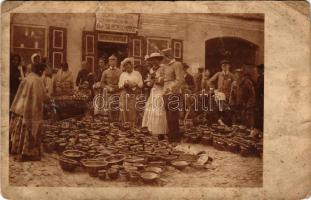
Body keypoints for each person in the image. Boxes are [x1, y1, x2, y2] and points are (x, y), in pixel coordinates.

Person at [10, 63, 50, 161]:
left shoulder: (27, 78)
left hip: (22, 108)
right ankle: (28, 153)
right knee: (31, 129)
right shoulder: (38, 80)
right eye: (43, 71)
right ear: (40, 71)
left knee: (22, 129)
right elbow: (43, 96)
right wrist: (49, 99)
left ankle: (19, 150)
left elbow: (20, 92)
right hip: (31, 109)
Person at [162, 48, 185, 143]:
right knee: (168, 116)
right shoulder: (166, 66)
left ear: (169, 56)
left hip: (173, 93)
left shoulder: (177, 64)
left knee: (173, 116)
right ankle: (171, 138)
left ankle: (175, 139)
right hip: (166, 93)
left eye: (164, 57)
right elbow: (165, 79)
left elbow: (180, 80)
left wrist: (171, 88)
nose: (163, 59)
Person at [142, 53, 168, 140]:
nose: (154, 61)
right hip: (153, 91)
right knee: (151, 111)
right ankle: (152, 130)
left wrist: (155, 78)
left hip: (160, 91)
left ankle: (160, 132)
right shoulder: (152, 69)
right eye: (152, 60)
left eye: (156, 59)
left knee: (159, 111)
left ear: (159, 60)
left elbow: (163, 81)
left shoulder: (163, 68)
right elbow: (150, 83)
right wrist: (148, 82)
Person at [118, 57, 143, 127]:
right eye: (125, 66)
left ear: (131, 65)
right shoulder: (123, 74)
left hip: (133, 92)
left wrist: (134, 84)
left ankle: (132, 125)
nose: (127, 67)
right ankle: (124, 125)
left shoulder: (137, 73)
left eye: (128, 65)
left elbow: (141, 84)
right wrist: (125, 85)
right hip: (124, 92)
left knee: (132, 108)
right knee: (124, 108)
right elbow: (119, 85)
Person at [208, 59, 234, 126]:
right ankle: (218, 124)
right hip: (219, 95)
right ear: (221, 67)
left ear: (229, 66)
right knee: (216, 108)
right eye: (223, 66)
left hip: (228, 97)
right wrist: (214, 90)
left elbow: (235, 85)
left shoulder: (231, 75)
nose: (224, 67)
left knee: (227, 111)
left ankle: (226, 125)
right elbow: (209, 81)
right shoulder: (219, 74)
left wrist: (233, 90)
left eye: (226, 66)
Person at [100, 54, 122, 121]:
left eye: (114, 61)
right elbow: (102, 83)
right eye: (111, 61)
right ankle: (110, 122)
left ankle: (117, 123)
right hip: (109, 93)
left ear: (116, 62)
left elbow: (122, 82)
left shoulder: (120, 71)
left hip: (118, 92)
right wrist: (107, 87)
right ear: (109, 62)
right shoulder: (105, 72)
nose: (112, 62)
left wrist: (117, 88)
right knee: (109, 108)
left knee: (117, 108)